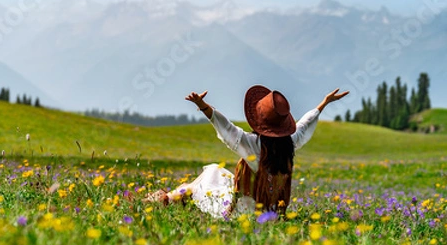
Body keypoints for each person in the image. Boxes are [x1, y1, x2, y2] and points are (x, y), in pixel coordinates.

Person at [145, 86, 349, 218]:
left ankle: (156, 201)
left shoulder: (252, 144)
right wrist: (324, 103)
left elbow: (226, 128)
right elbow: (304, 125)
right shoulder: (289, 144)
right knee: (217, 172)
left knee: (203, 180)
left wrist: (203, 106)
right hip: (272, 214)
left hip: (242, 213)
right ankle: (165, 200)